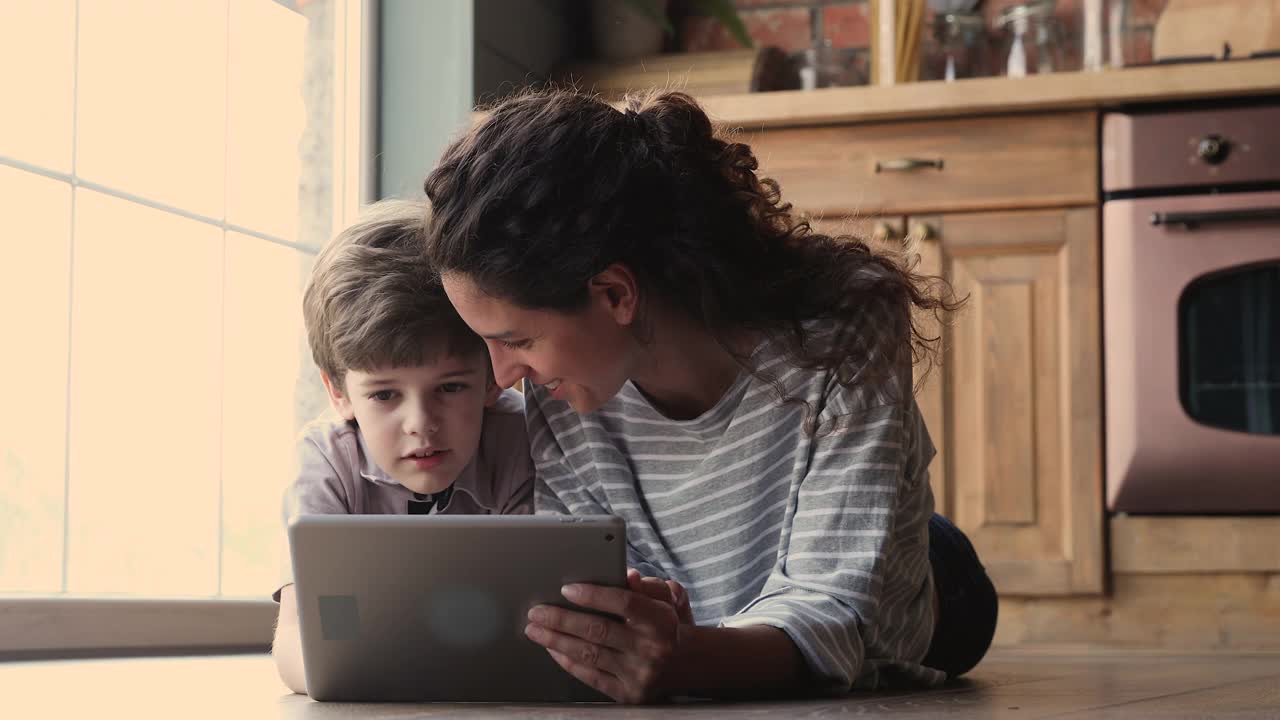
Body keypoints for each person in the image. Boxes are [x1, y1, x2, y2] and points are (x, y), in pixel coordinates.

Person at [423, 90, 998, 704]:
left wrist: (683, 657)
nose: (503, 376)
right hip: (722, 600)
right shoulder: (565, 386)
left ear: (616, 294)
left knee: (911, 563)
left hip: (918, 590)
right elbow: (608, 599)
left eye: (516, 340)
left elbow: (838, 616)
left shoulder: (842, 325)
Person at [271, 200, 533, 694]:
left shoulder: (518, 443)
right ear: (339, 394)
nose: (421, 425)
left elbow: (534, 614)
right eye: (385, 394)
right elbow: (295, 635)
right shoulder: (328, 464)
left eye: (451, 387)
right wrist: (366, 679)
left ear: (493, 379)